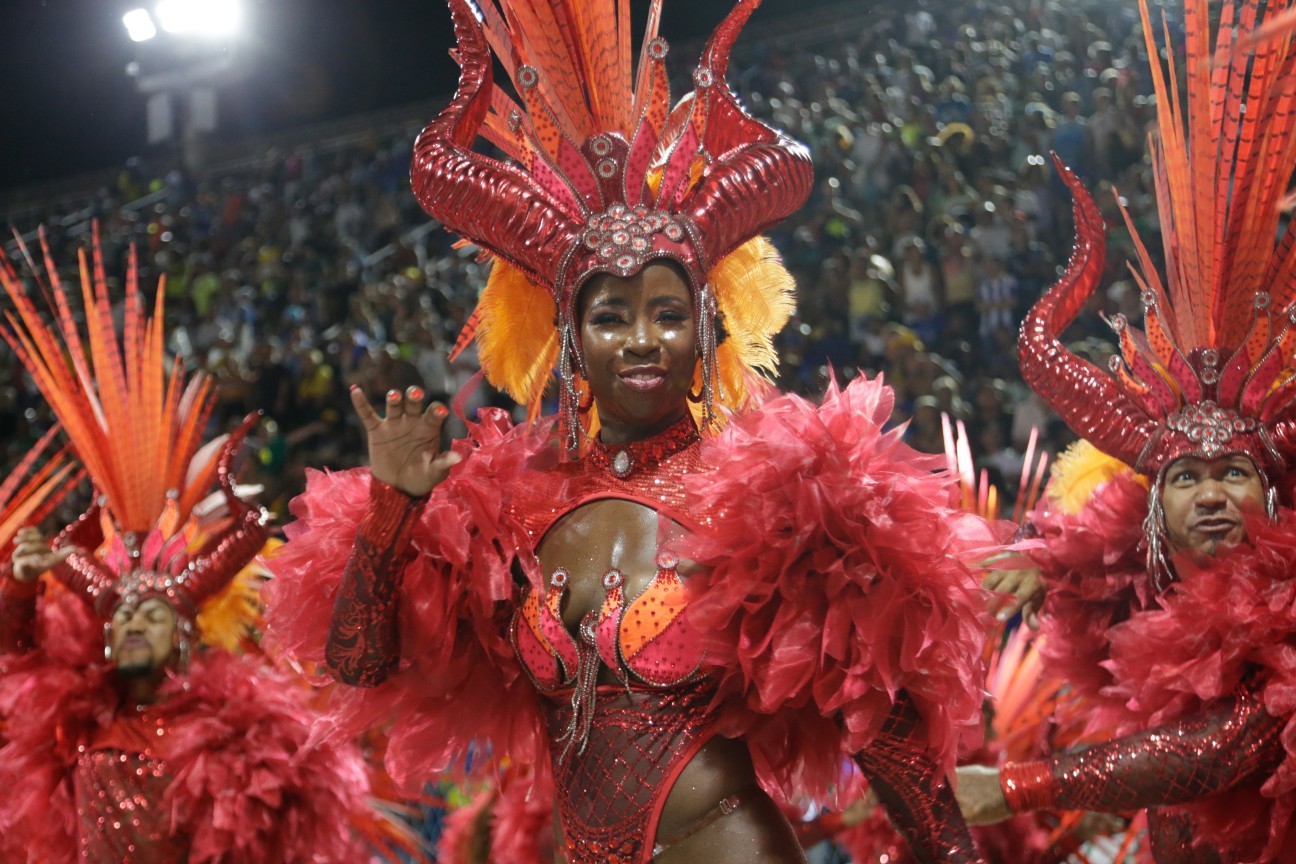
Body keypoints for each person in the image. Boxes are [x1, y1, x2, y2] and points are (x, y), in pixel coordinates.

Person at [266, 1, 1008, 862]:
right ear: (569, 337)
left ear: (707, 325)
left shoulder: (767, 490)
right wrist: (394, 509)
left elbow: (883, 725)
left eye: (667, 312)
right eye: (612, 316)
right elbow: (356, 663)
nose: (643, 339)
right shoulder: (516, 502)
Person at [956, 0, 1296, 859]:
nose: (1211, 492)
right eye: (1186, 477)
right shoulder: (1138, 583)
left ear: (1276, 489)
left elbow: (1224, 747)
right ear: (1151, 508)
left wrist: (1021, 787)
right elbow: (1068, 561)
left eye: (1232, 473)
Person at [0, 234, 410, 863]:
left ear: (186, 636)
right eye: (127, 614)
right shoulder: (74, 724)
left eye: (152, 613)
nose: (134, 619)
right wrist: (23, 585)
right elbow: (17, 666)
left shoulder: (242, 739)